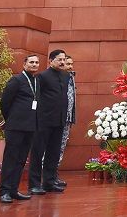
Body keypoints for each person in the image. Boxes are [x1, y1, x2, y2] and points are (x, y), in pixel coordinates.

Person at [0, 54, 40, 203]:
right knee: (11, 158)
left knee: (21, 159)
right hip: (15, 126)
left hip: (30, 127)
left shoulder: (36, 81)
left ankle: (13, 190)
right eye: (31, 62)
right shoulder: (16, 80)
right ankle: (4, 191)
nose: (34, 65)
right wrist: (10, 119)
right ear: (24, 64)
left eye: (36, 62)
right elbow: (5, 102)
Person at [30, 49, 68, 194]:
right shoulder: (42, 77)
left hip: (59, 120)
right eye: (59, 59)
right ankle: (34, 184)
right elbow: (37, 98)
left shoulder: (65, 76)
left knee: (53, 152)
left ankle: (49, 182)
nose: (62, 62)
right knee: (38, 152)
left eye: (64, 59)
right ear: (51, 61)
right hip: (43, 120)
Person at [56, 54, 77, 186]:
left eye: (70, 64)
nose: (69, 66)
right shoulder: (56, 79)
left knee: (61, 148)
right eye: (66, 63)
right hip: (56, 119)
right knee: (52, 148)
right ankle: (46, 174)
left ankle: (54, 173)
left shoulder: (71, 79)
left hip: (67, 119)